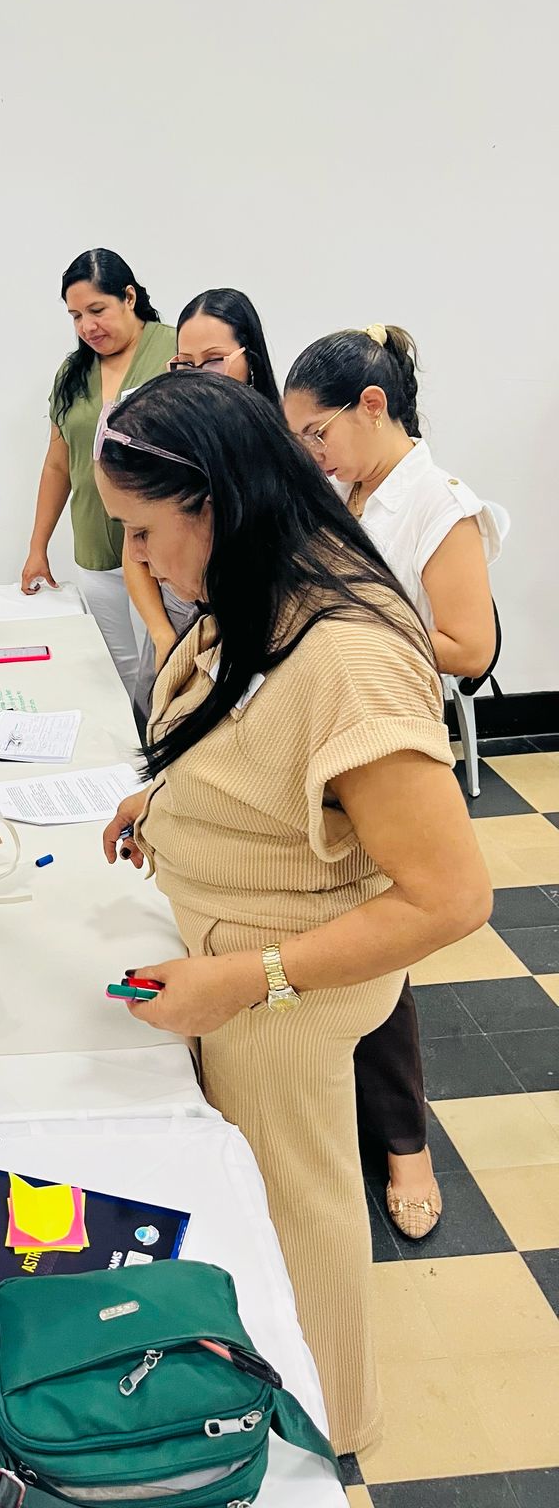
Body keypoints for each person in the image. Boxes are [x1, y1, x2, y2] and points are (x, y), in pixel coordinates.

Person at [95, 373, 490, 1452]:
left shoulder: (349, 655)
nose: (140, 556)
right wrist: (166, 797)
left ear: (215, 500)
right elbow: (251, 736)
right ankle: (265, 1383)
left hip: (279, 988)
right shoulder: (258, 592)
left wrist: (250, 978)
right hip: (238, 964)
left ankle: (324, 1429)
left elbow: (453, 895)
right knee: (254, 1204)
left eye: (143, 529)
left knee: (296, 1218)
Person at [283, 322, 502, 1240]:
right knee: (343, 929)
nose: (313, 456)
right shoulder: (358, 486)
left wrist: (348, 636)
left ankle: (406, 1144)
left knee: (388, 949)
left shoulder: (437, 505)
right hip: (339, 727)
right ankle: (350, 1114)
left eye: (318, 435)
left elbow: (471, 645)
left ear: (373, 407)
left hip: (396, 739)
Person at [21, 249, 175, 695]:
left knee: (168, 664)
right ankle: (132, 757)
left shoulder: (173, 349)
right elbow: (57, 464)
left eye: (97, 310)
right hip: (96, 548)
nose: (87, 326)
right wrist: (37, 547)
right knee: (118, 672)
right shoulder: (73, 373)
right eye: (75, 316)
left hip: (162, 550)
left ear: (129, 297)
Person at [126, 288, 281, 723]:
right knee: (154, 728)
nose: (198, 376)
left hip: (249, 639)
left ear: (250, 359)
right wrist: (161, 635)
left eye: (214, 360)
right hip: (176, 626)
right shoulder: (165, 443)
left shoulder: (280, 449)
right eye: (185, 364)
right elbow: (134, 548)